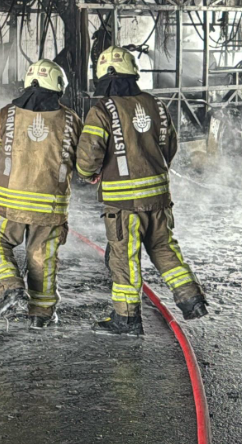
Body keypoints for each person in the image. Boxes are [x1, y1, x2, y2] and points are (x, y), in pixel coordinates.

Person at [76, 46, 208, 336]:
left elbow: (88, 156)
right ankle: (192, 299)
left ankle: (126, 319)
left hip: (125, 204)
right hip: (159, 197)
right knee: (163, 247)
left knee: (124, 258)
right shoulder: (156, 105)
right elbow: (169, 146)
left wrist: (88, 174)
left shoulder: (103, 110)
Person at [0, 59, 82, 329]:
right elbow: (81, 159)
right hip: (50, 207)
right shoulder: (71, 120)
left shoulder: (7, 114)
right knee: (42, 257)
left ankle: (11, 288)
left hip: (7, 204)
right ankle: (41, 315)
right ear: (58, 86)